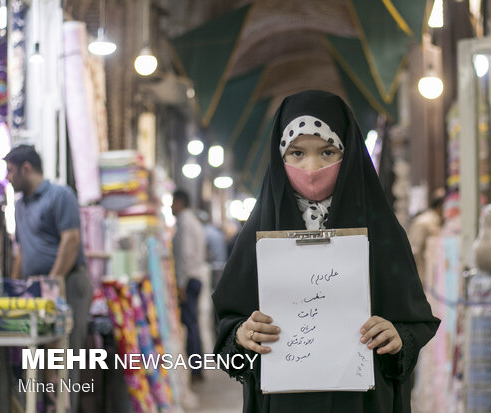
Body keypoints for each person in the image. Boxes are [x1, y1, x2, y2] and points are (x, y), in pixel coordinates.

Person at [213, 90, 439, 412]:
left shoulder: (383, 233)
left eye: (328, 151)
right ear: (280, 157)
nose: (312, 166)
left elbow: (415, 321)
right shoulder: (257, 235)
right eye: (297, 153)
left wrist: (397, 335)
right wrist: (242, 333)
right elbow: (228, 323)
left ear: (348, 154)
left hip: (361, 401)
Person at [4, 145, 93, 411]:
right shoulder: (20, 206)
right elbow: (22, 251)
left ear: (26, 168)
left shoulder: (60, 195)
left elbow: (71, 241)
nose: (7, 178)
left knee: (66, 356)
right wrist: (14, 289)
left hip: (68, 284)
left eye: (10, 171)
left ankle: (66, 408)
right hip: (38, 291)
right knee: (41, 360)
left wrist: (51, 284)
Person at [171, 189, 206, 382]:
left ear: (179, 202)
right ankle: (197, 367)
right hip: (196, 277)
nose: (170, 207)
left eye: (172, 202)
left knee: (190, 324)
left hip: (189, 279)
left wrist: (181, 284)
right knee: (194, 324)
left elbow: (184, 255)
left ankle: (195, 369)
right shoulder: (193, 221)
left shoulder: (184, 223)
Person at [407, 188, 446, 284]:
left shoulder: (435, 221)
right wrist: (419, 277)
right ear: (440, 206)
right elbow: (415, 250)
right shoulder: (425, 222)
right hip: (423, 276)